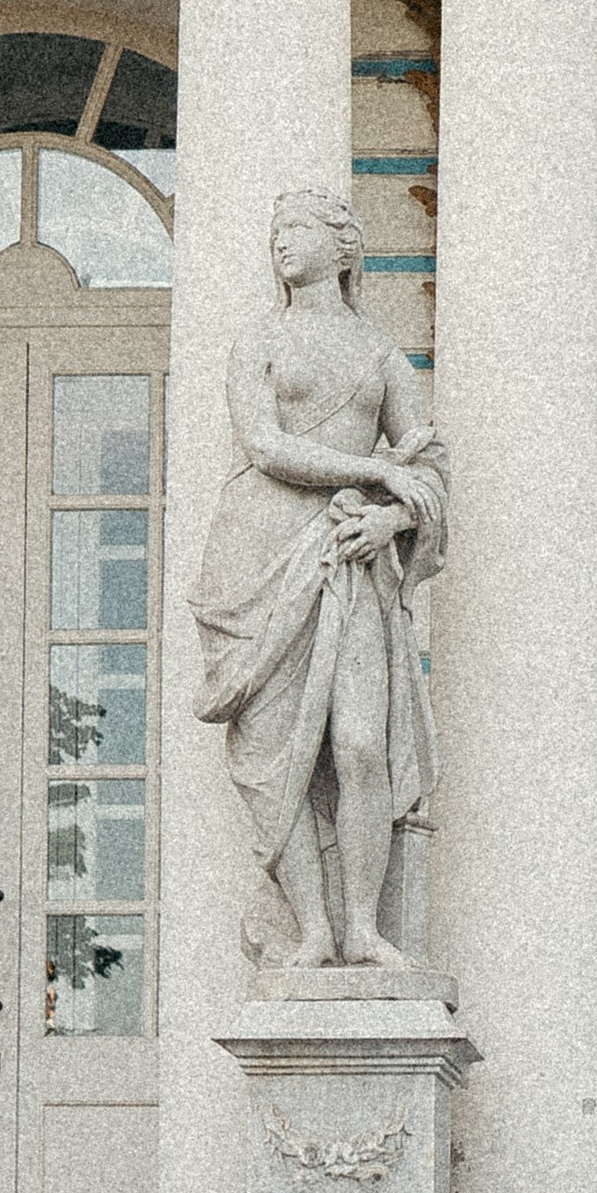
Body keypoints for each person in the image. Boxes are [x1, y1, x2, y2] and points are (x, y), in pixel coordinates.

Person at [192, 187, 447, 977]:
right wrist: (375, 472)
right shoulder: (257, 342)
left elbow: (431, 464)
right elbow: (265, 446)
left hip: (349, 554)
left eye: (297, 229)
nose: (282, 243)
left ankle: (363, 928)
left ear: (345, 249)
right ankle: (312, 930)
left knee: (361, 744)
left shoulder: (379, 354)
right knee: (278, 758)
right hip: (259, 552)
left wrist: (391, 522)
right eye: (276, 231)